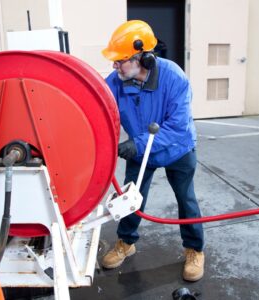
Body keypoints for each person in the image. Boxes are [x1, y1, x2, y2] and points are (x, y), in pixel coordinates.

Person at [101, 20, 204, 282]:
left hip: (178, 149)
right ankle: (126, 242)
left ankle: (194, 249)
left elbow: (178, 127)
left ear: (143, 59)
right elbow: (95, 104)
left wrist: (137, 143)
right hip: (141, 152)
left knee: (186, 199)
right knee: (131, 198)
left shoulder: (174, 77)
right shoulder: (116, 82)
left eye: (120, 60)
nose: (115, 66)